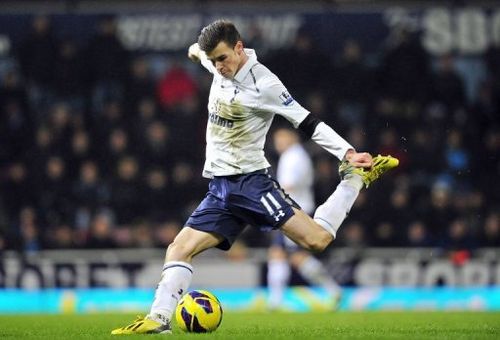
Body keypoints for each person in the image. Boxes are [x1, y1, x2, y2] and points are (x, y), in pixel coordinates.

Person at [112, 20, 398, 335]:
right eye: (213, 60)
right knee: (178, 249)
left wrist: (347, 153)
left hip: (252, 184)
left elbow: (307, 121)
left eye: (222, 58)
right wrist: (197, 53)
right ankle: (159, 320)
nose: (218, 66)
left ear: (239, 47)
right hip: (220, 189)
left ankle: (354, 179)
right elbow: (201, 55)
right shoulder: (215, 62)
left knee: (317, 240)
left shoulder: (265, 84)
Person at [267, 127, 342, 310]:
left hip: (292, 212)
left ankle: (276, 302)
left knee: (288, 255)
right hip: (298, 209)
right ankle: (332, 290)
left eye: (281, 138)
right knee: (288, 255)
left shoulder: (292, 156)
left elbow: (288, 186)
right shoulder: (298, 155)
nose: (278, 144)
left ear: (290, 138)